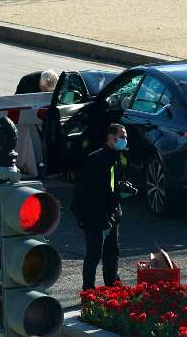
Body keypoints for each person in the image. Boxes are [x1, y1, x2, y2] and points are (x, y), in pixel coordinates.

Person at [71, 123, 136, 290]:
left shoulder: (118, 156)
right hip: (95, 214)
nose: (125, 140)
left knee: (112, 253)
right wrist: (100, 217)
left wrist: (123, 187)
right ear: (111, 137)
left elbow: (112, 183)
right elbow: (90, 192)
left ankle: (112, 287)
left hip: (112, 212)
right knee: (94, 255)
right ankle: (88, 291)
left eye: (125, 137)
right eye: (122, 137)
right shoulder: (97, 159)